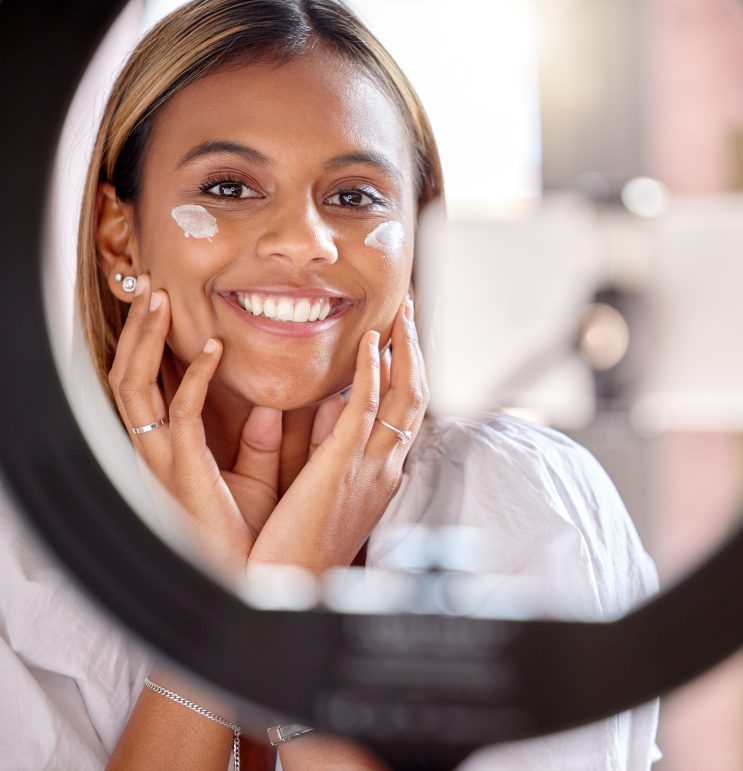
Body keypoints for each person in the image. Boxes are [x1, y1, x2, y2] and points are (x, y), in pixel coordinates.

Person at [1, 0, 660, 768]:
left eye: (353, 197)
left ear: (419, 244)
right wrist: (223, 624)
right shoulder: (20, 545)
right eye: (229, 186)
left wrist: (286, 620)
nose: (303, 244)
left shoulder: (526, 503)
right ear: (120, 235)